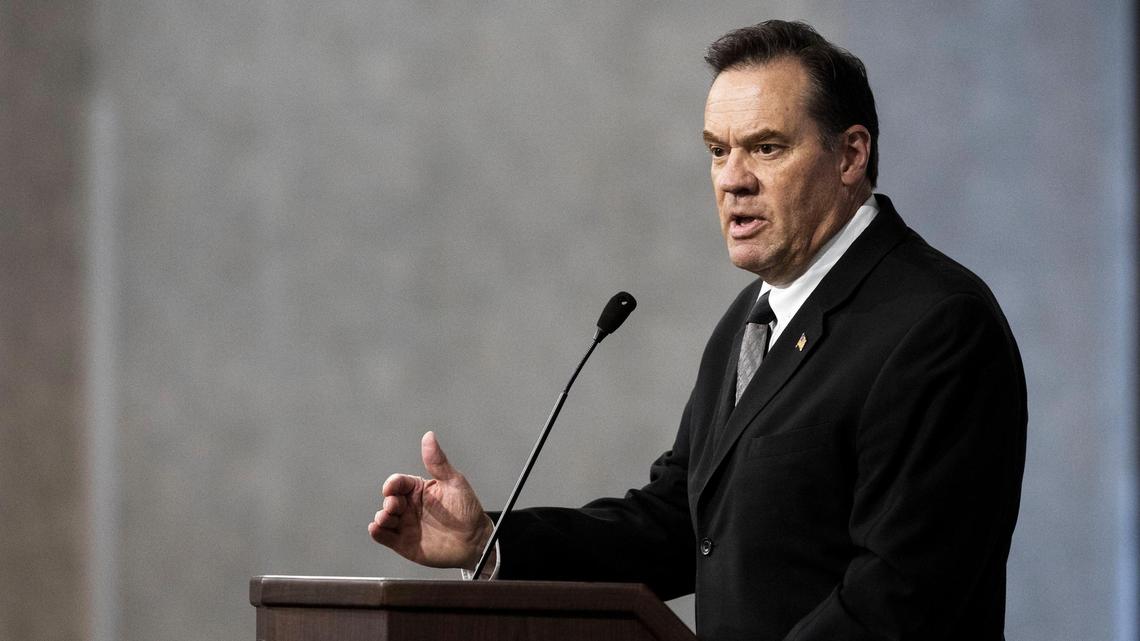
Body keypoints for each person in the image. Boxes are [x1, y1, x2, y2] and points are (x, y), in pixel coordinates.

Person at [369, 20, 1026, 641]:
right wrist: (490, 539)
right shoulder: (751, 319)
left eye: (766, 147)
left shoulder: (936, 325)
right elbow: (677, 523)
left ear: (851, 154)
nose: (732, 180)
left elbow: (900, 595)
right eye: (718, 150)